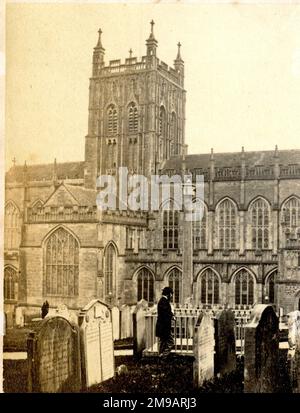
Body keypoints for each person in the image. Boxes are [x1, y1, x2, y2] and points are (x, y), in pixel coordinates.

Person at [155, 286, 175, 360]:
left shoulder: (163, 301)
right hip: (164, 326)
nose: (172, 296)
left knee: (163, 342)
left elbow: (165, 312)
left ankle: (160, 356)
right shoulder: (164, 301)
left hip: (162, 326)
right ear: (168, 294)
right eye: (171, 294)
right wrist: (172, 315)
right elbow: (165, 314)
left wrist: (171, 315)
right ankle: (163, 356)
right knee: (171, 342)